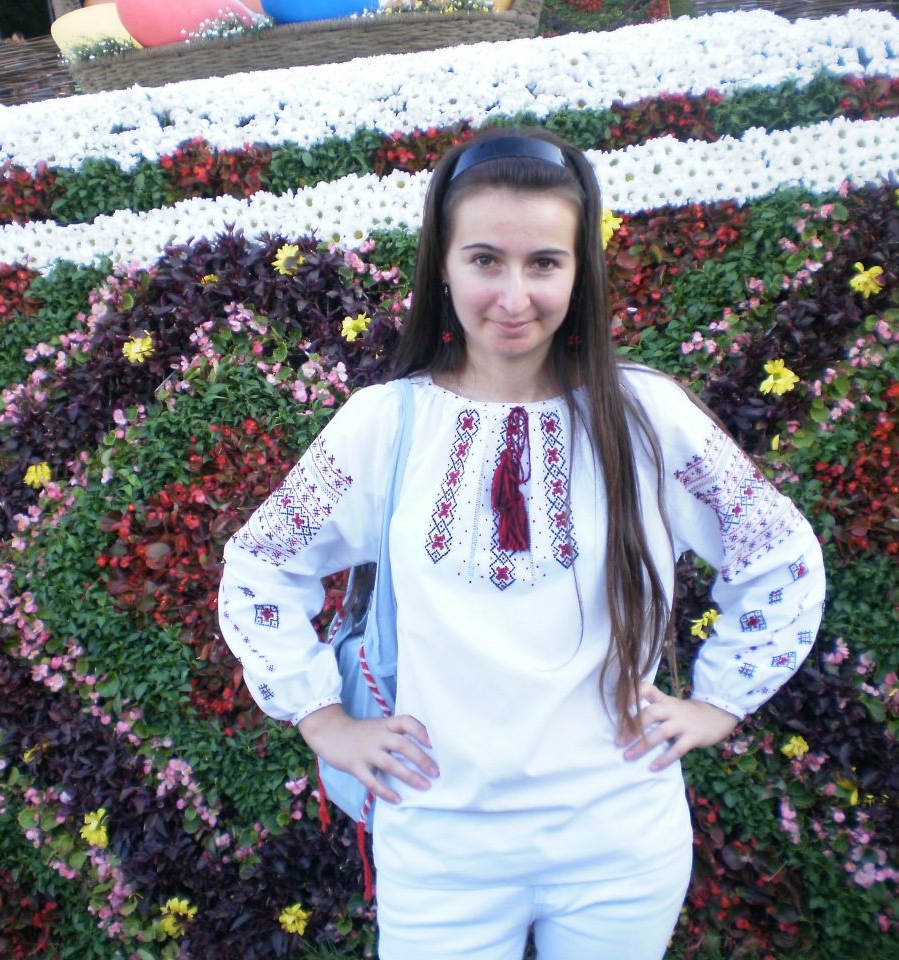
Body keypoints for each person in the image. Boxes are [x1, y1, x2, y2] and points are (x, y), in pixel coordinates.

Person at [217, 127, 825, 959]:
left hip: (620, 846)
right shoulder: (382, 425)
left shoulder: (647, 417)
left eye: (543, 262)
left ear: (580, 272)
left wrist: (719, 702)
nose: (513, 296)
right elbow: (262, 564)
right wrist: (322, 718)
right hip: (439, 853)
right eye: (484, 260)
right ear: (442, 266)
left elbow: (776, 552)